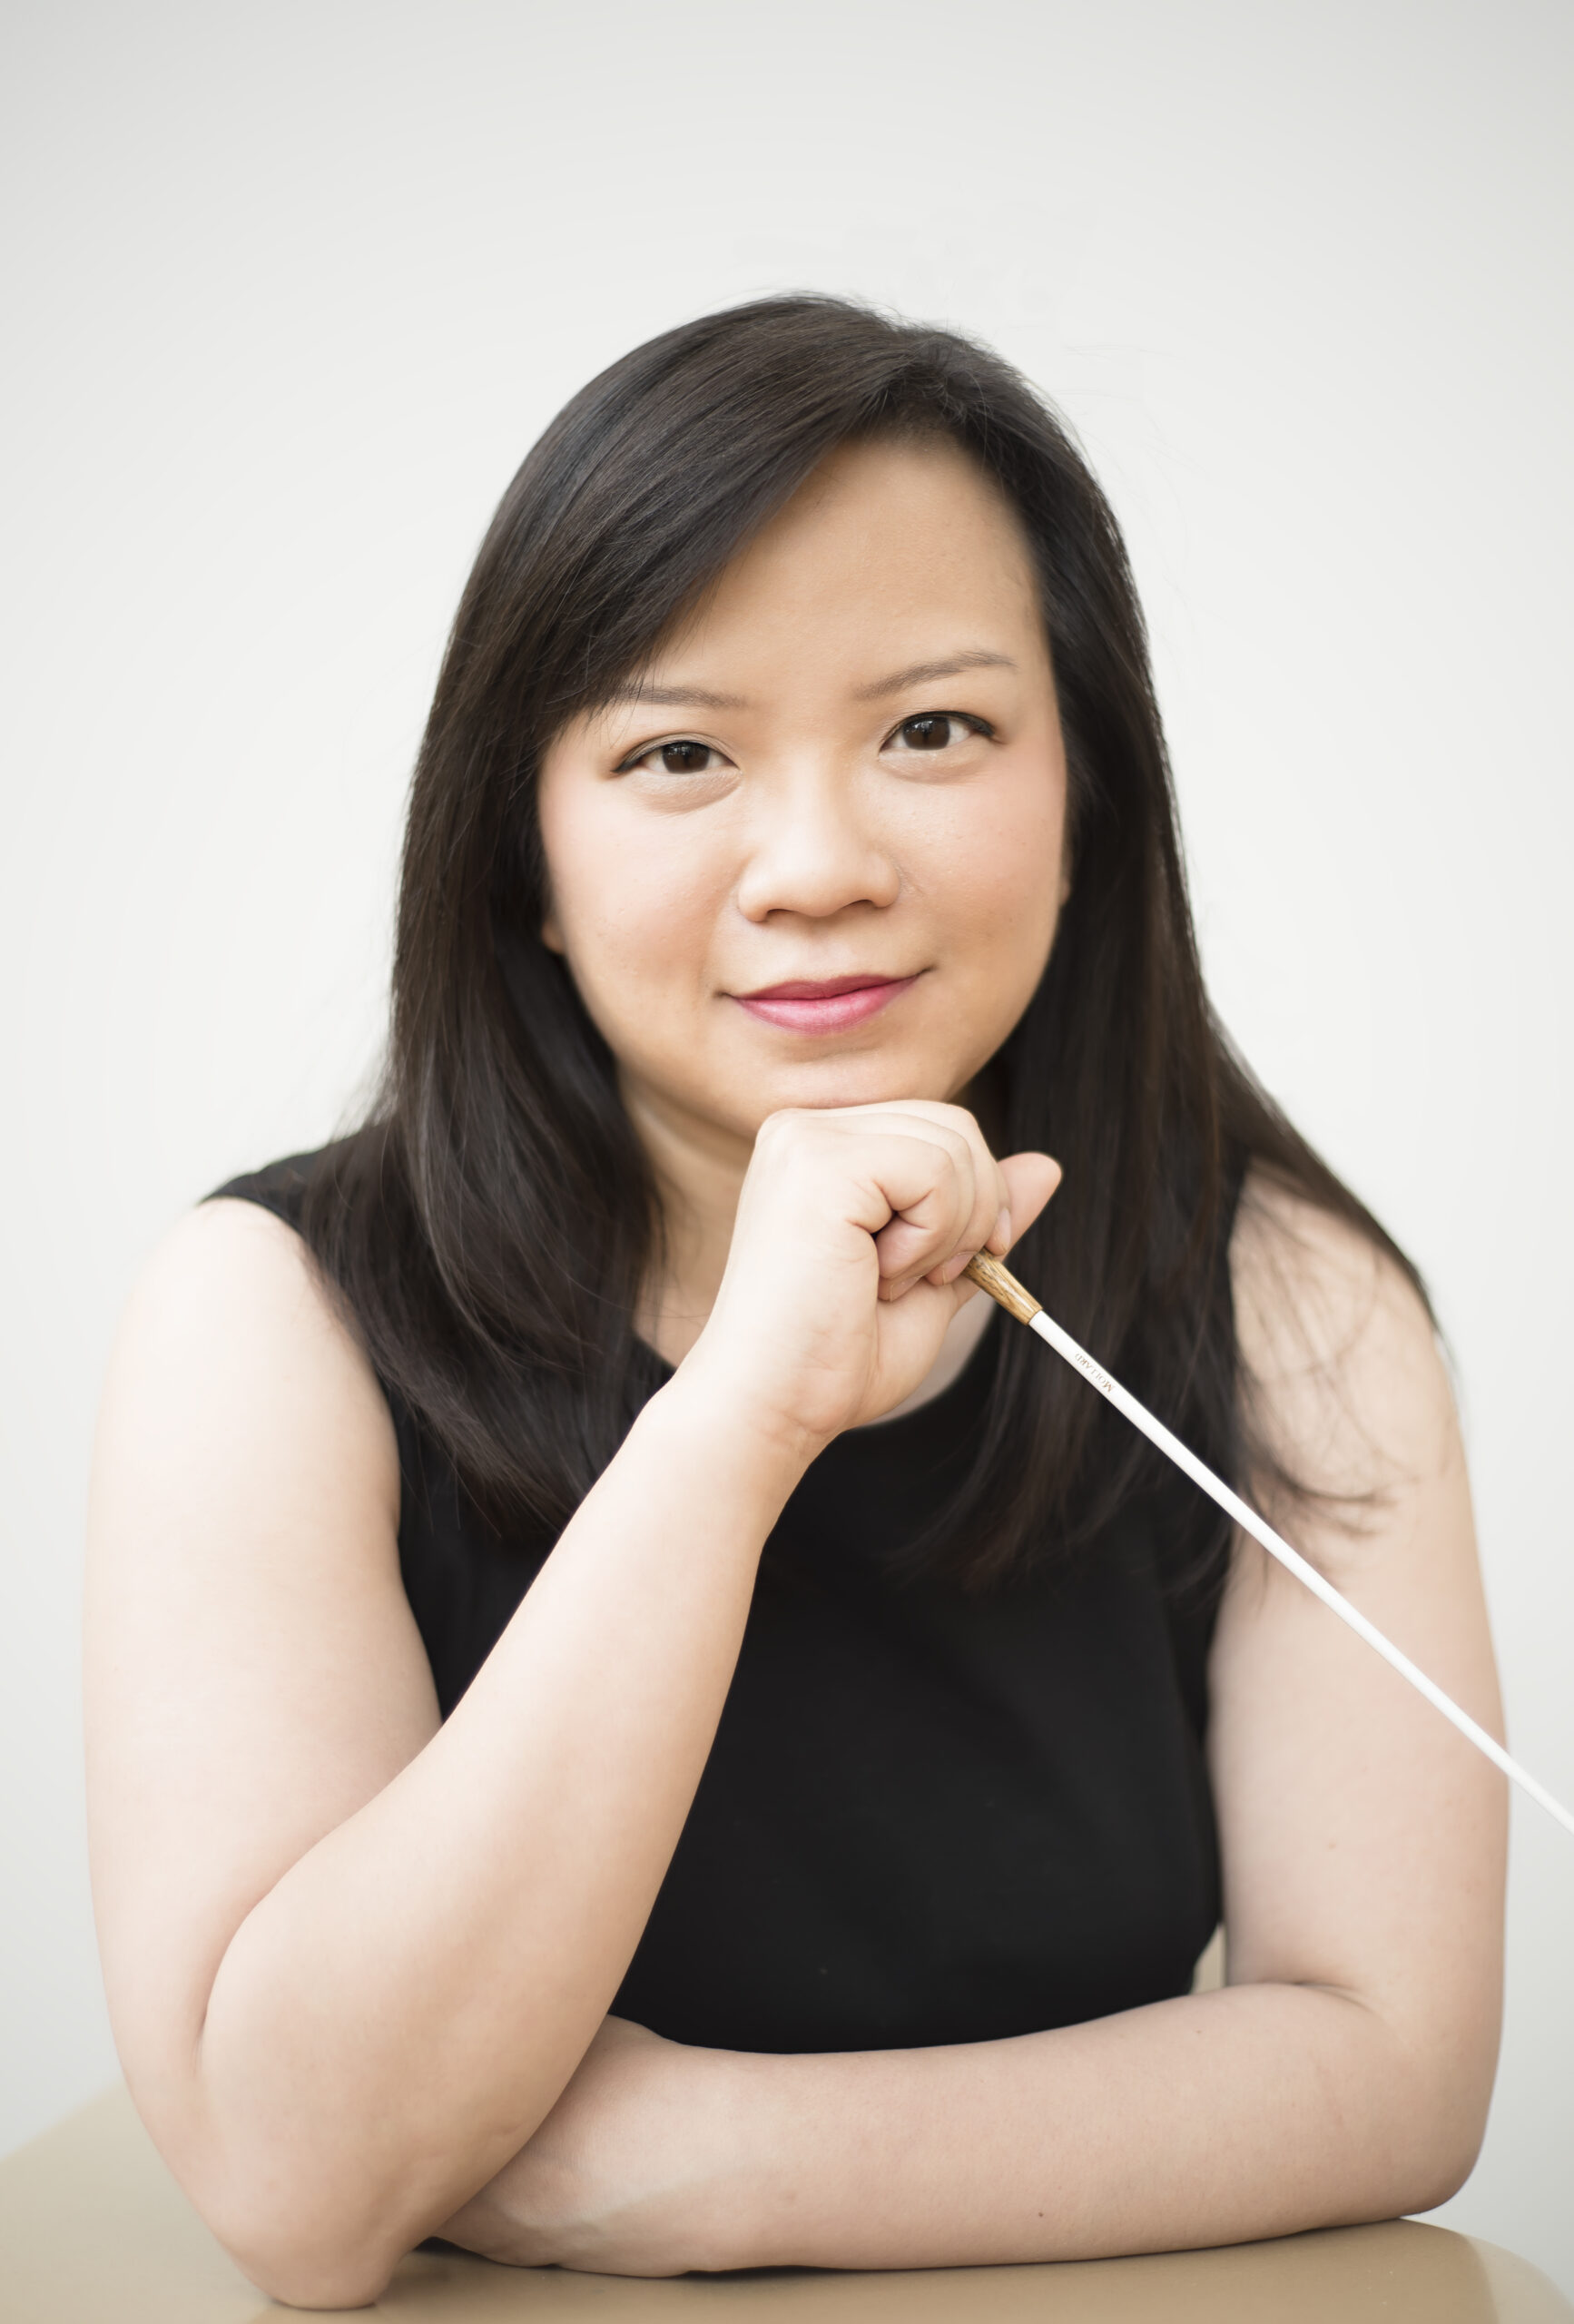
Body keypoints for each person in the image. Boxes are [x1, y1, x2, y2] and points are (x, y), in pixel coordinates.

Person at [84, 298, 1505, 2309]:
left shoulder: (1289, 1300)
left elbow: (1395, 2066)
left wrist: (703, 2160)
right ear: (524, 854)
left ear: (1090, 797)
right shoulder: (269, 1318)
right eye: (678, 754)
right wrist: (745, 1416)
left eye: (933, 730)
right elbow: (299, 2183)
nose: (819, 864)